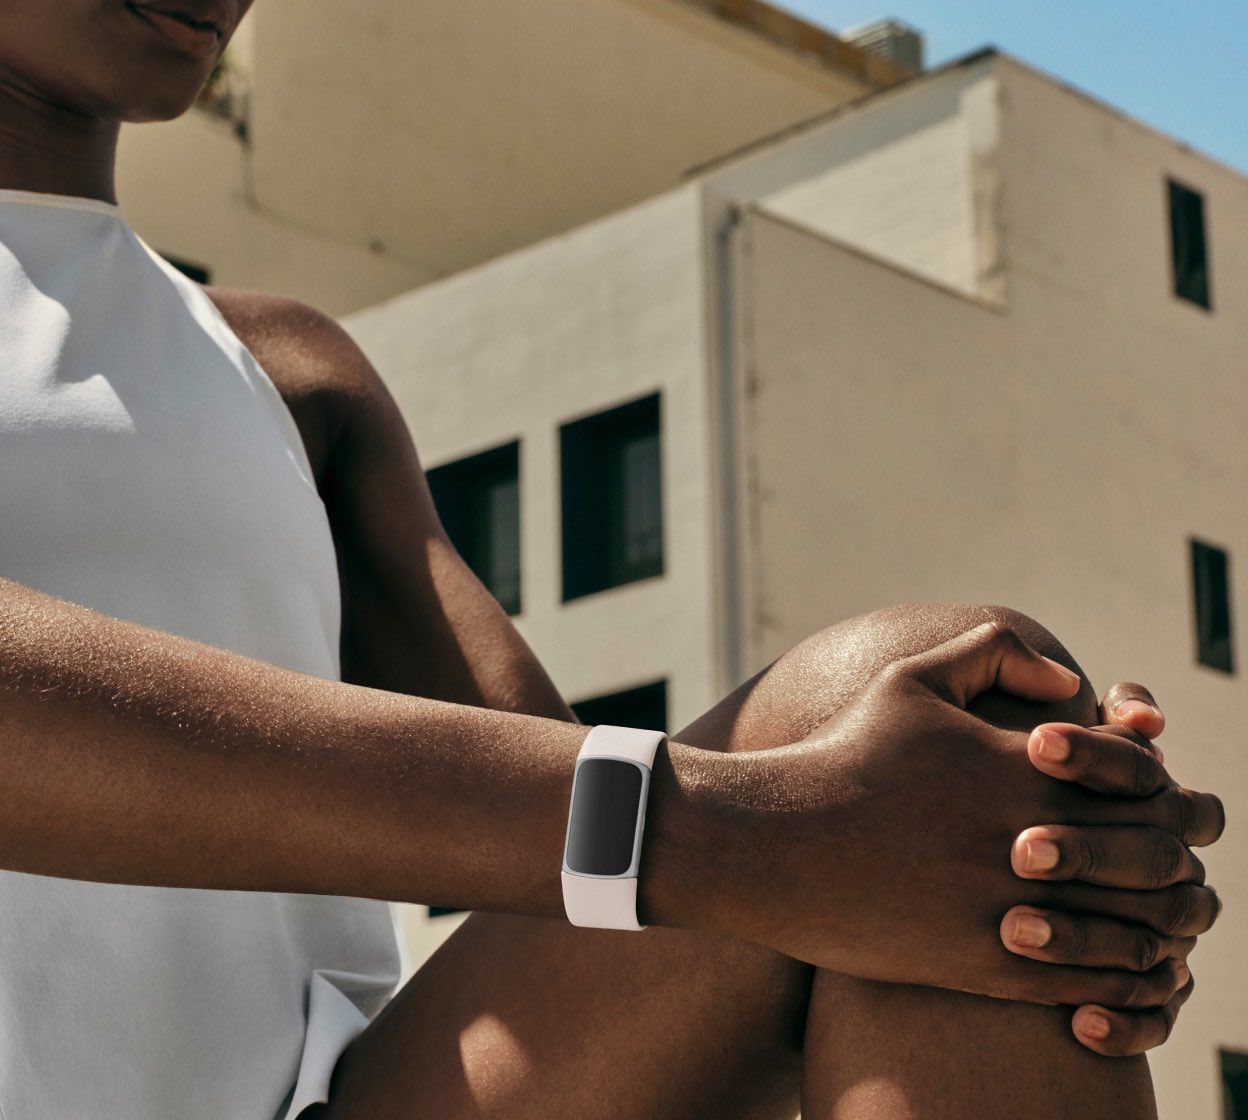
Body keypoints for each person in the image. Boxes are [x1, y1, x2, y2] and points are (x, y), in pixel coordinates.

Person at [0, 2, 1225, 1118]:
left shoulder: (287, 372)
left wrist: (1067, 864)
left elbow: (566, 830)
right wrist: (752, 842)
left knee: (968, 751)